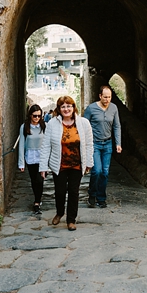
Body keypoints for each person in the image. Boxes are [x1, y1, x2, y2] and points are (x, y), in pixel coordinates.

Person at [40, 96, 94, 231]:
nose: (66, 109)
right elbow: (46, 146)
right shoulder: (52, 124)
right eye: (63, 106)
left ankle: (71, 220)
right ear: (59, 109)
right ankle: (59, 212)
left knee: (74, 192)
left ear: (73, 107)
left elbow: (88, 144)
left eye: (69, 106)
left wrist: (89, 162)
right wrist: (43, 167)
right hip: (60, 165)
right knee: (59, 192)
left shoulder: (84, 123)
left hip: (77, 164)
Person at [83, 85, 122, 208]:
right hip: (94, 144)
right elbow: (84, 125)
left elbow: (117, 126)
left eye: (109, 97)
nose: (107, 99)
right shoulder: (91, 109)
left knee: (105, 172)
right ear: (100, 96)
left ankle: (101, 198)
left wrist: (118, 143)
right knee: (97, 171)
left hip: (108, 143)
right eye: (105, 97)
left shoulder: (114, 108)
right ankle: (92, 194)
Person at [16, 104, 47, 214]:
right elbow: (21, 145)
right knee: (34, 181)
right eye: (35, 116)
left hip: (42, 157)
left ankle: (37, 202)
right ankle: (37, 199)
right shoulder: (24, 127)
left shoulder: (44, 126)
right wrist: (21, 163)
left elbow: (49, 143)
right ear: (30, 115)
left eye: (39, 116)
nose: (37, 118)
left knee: (40, 180)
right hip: (30, 157)